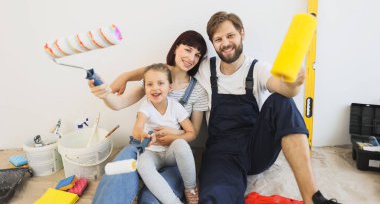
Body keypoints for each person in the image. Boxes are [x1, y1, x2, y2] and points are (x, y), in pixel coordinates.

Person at [112, 12, 341, 204]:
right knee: (214, 196)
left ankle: (313, 197)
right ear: (213, 44)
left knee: (282, 100)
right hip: (222, 152)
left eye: (230, 35)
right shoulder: (204, 67)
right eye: (218, 39)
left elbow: (283, 87)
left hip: (255, 148)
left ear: (242, 34)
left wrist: (294, 84)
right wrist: (126, 75)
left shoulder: (257, 68)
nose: (225, 43)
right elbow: (164, 70)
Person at [89, 30, 208, 204]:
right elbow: (119, 104)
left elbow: (193, 133)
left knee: (150, 201)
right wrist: (105, 94)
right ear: (176, 48)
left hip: (174, 154)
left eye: (197, 55)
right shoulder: (155, 76)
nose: (191, 58)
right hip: (145, 148)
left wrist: (174, 134)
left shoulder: (197, 91)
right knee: (117, 177)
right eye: (188, 49)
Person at [135, 63, 198, 204]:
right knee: (142, 163)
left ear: (169, 87)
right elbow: (137, 128)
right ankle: (173, 202)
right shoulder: (145, 107)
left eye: (160, 83)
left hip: (170, 153)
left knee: (181, 144)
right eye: (149, 84)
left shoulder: (175, 106)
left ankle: (191, 188)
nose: (155, 88)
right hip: (152, 153)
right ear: (145, 88)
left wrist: (174, 137)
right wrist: (141, 135)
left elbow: (192, 133)